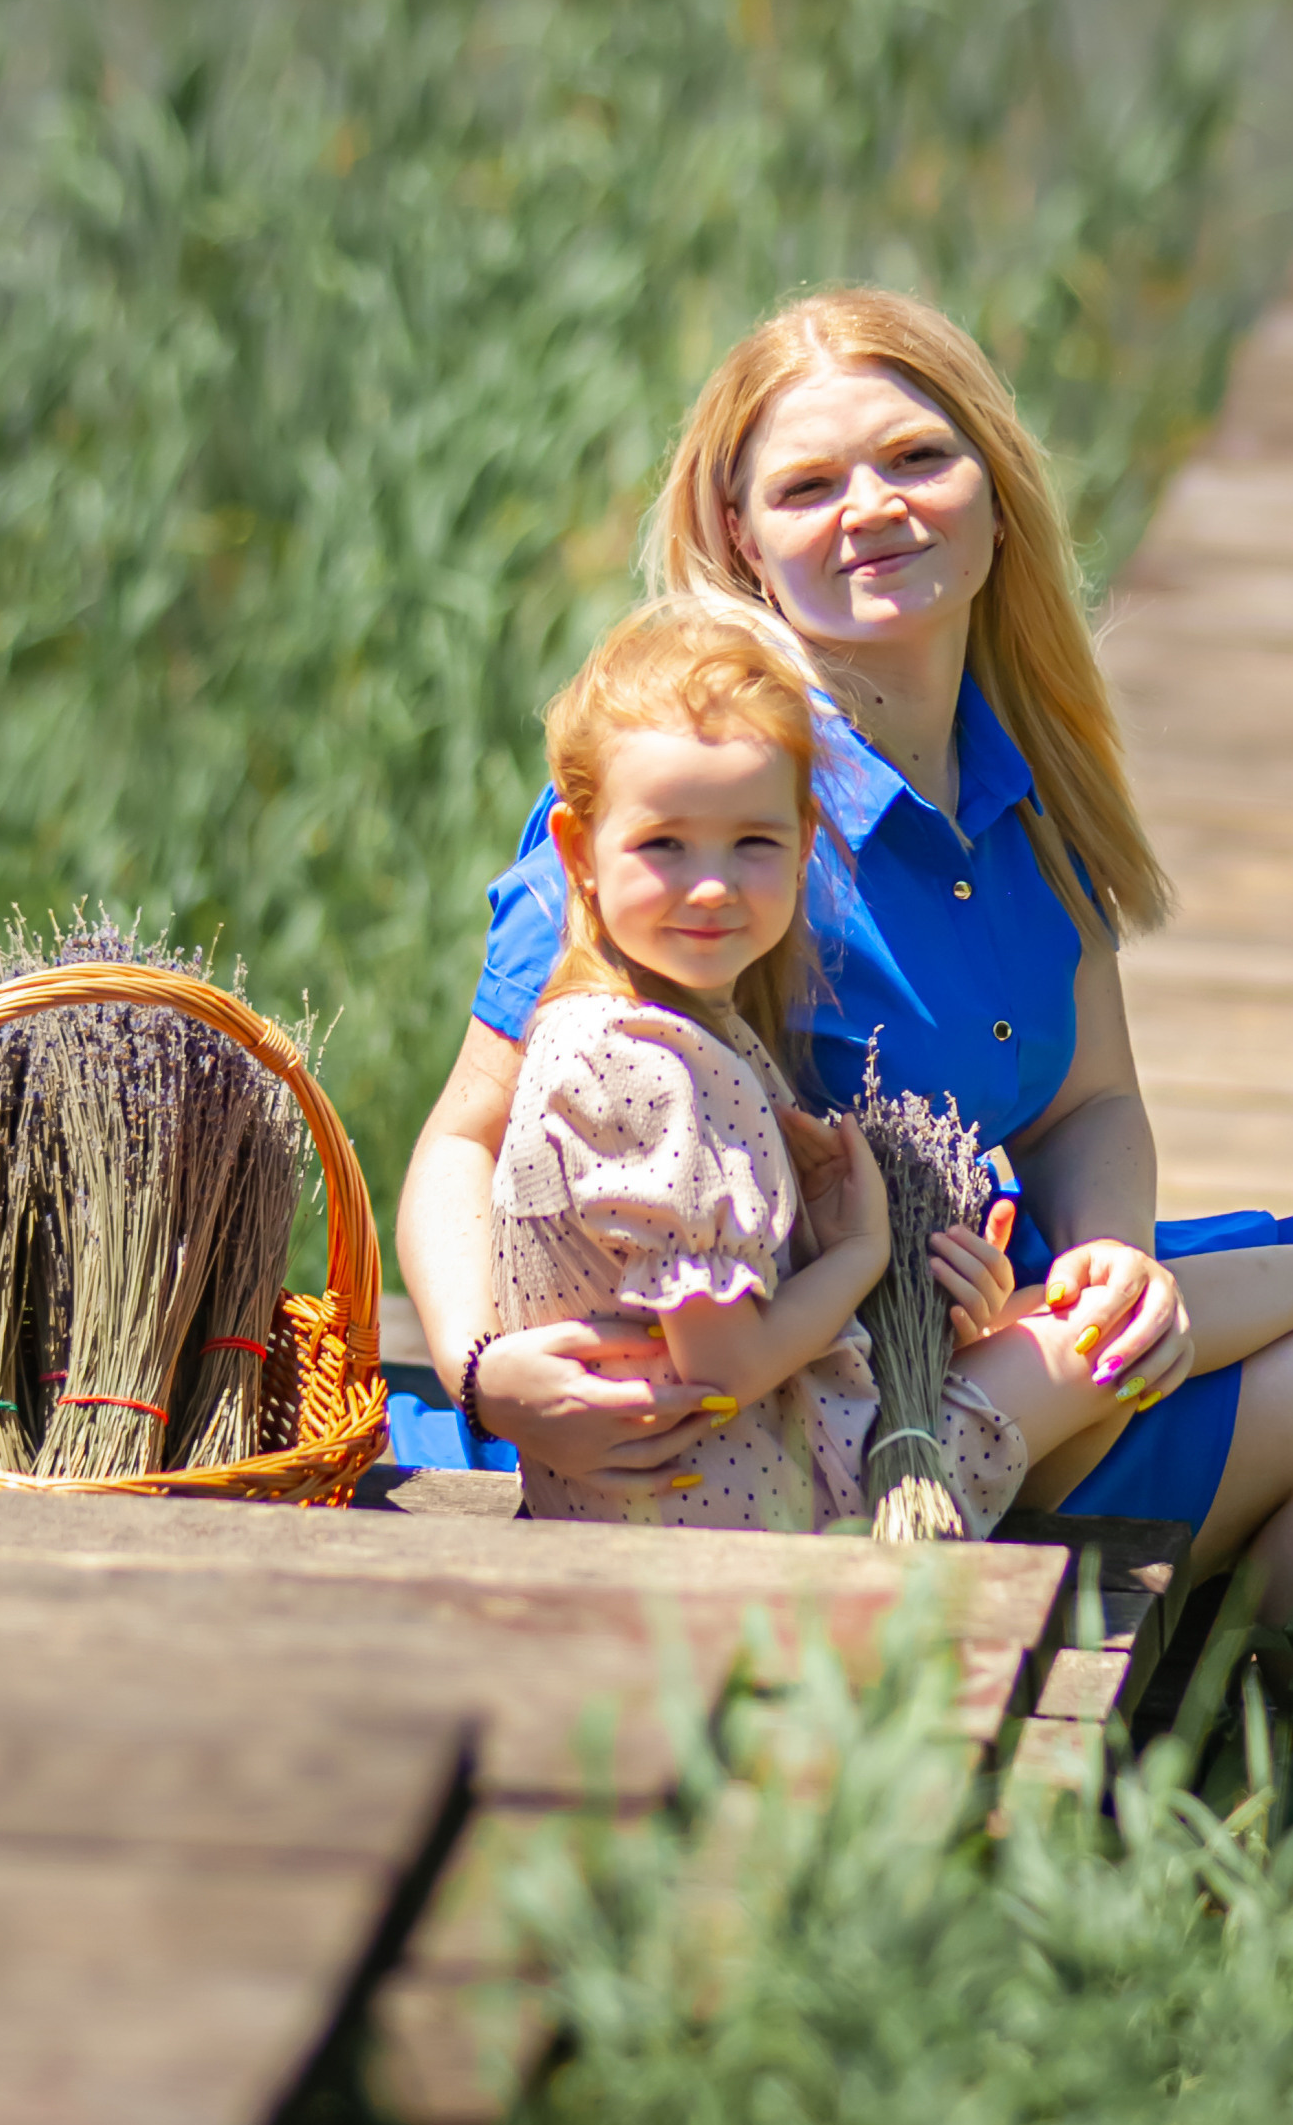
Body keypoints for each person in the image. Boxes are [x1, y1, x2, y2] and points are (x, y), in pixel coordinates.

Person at [398, 286, 1293, 1630]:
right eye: (808, 484)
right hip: (739, 1436)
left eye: (915, 459)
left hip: (974, 1355)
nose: (870, 506)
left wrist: (1111, 1253)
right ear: (739, 537)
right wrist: (484, 1370)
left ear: (997, 498)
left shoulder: (1028, 789)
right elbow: (464, 1140)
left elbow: (1088, 1102)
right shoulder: (704, 820)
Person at [476, 593, 1139, 1533]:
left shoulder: (634, 1029)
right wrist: (865, 1256)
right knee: (1105, 1333)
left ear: (802, 856)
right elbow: (726, 1368)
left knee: (1095, 1317)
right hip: (770, 1508)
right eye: (664, 845)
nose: (710, 885)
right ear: (577, 852)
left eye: (753, 843)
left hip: (685, 1496)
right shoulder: (649, 1072)